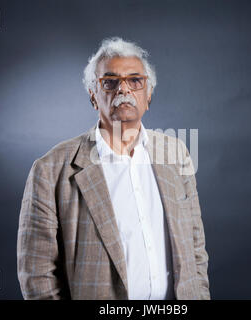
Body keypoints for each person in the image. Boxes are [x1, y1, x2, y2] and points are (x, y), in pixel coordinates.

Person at [17, 37, 210, 300]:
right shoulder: (50, 170)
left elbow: (195, 249)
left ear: (148, 95)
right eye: (110, 82)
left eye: (135, 80)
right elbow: (37, 275)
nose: (124, 90)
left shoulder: (177, 154)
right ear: (93, 96)